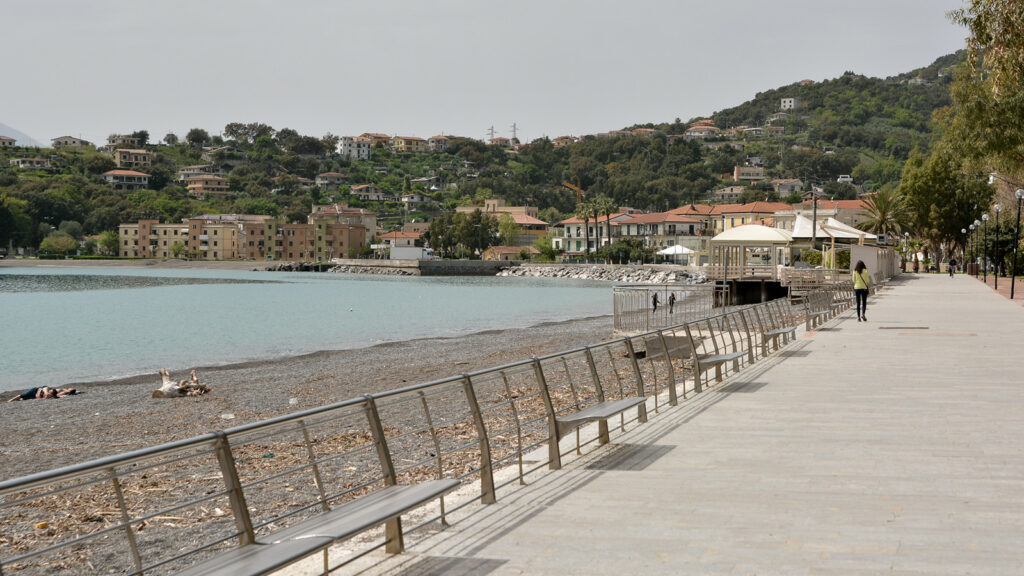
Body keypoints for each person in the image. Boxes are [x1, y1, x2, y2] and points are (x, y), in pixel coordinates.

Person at [7, 386, 76, 402]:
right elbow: (45, 388)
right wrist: (46, 393)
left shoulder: (54, 395)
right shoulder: (46, 390)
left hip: (35, 397)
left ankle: (67, 389)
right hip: (35, 391)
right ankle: (10, 401)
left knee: (22, 399)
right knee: (22, 396)